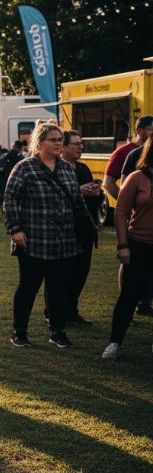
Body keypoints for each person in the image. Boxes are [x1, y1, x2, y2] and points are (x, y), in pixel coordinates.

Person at [3, 122, 87, 349]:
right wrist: (15, 229)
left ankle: (58, 331)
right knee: (28, 288)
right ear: (39, 143)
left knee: (59, 288)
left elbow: (77, 203)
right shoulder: (25, 168)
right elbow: (10, 200)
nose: (59, 143)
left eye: (60, 140)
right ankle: (19, 332)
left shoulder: (69, 169)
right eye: (54, 140)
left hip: (64, 241)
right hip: (33, 241)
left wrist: (86, 228)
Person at [102, 139, 153, 359]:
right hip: (138, 244)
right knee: (129, 295)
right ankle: (114, 343)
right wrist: (123, 245)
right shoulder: (137, 178)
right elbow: (121, 212)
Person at [55, 131, 100, 326]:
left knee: (81, 272)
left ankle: (71, 311)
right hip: (64, 229)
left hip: (84, 228)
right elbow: (55, 196)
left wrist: (95, 192)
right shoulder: (55, 169)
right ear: (63, 147)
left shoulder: (83, 169)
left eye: (81, 143)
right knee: (61, 275)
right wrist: (79, 191)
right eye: (75, 144)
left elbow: (91, 201)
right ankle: (54, 312)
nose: (80, 147)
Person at [105, 115, 153, 201]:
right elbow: (108, 183)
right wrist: (126, 204)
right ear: (139, 131)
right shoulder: (123, 152)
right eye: (150, 129)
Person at [0, 140, 25, 216]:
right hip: (15, 177)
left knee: (4, 195)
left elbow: (5, 165)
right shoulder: (21, 156)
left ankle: (2, 211)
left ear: (15, 146)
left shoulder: (10, 154)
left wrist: (2, 168)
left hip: (7, 177)